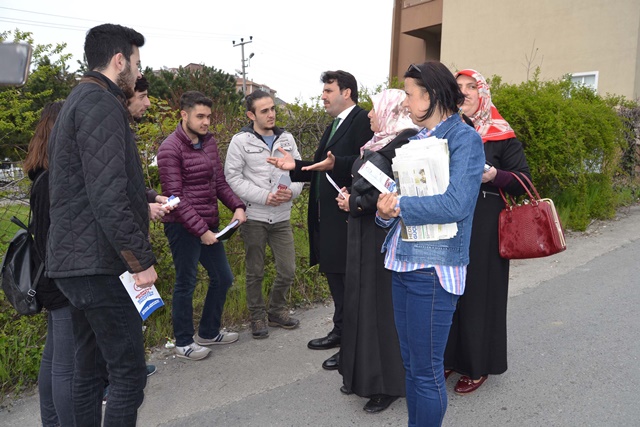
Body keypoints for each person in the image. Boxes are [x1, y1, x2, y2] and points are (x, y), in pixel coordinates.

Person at [47, 24, 157, 426]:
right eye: (137, 63)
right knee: (128, 375)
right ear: (119, 60)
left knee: (90, 371)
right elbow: (107, 196)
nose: (138, 72)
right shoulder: (101, 103)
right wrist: (140, 261)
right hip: (100, 265)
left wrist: (145, 198)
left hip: (77, 263)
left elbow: (90, 182)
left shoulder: (79, 98)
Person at [376, 61, 484, 427]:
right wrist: (386, 211)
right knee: (413, 366)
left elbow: (457, 204)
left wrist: (401, 205)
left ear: (431, 95)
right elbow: (397, 200)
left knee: (426, 371)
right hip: (402, 260)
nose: (405, 102)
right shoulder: (416, 140)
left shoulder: (464, 139)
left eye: (409, 94)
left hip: (434, 270)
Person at [302, 89, 418, 413]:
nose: (369, 114)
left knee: (380, 311)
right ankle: (360, 376)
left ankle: (387, 384)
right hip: (363, 235)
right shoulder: (381, 142)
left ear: (390, 111)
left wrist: (354, 201)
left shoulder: (405, 144)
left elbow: (396, 195)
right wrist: (352, 196)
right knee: (362, 305)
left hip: (382, 239)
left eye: (375, 109)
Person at [267, 70, 373, 370]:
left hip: (347, 216)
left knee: (350, 285)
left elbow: (366, 164)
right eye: (323, 91)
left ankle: (352, 344)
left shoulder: (362, 121)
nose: (323, 96)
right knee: (336, 280)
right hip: (326, 218)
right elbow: (321, 166)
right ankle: (340, 331)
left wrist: (338, 166)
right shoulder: (334, 124)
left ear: (347, 92)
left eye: (328, 91)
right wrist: (295, 166)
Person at [444, 69, 531, 394]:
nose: (464, 92)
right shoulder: (446, 131)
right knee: (450, 292)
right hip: (450, 223)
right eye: (459, 87)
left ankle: (477, 365)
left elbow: (524, 181)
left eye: (471, 87)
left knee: (479, 295)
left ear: (483, 93)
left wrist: (495, 175)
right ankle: (450, 357)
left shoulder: (501, 135)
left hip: (485, 227)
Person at [157, 91, 246, 361]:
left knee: (223, 278)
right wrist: (202, 232)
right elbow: (174, 198)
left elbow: (218, 183)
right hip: (182, 227)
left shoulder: (209, 143)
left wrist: (238, 206)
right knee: (186, 282)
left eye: (208, 116)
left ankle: (208, 332)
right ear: (184, 115)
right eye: (200, 116)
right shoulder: (169, 149)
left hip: (208, 223)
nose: (206, 122)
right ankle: (184, 342)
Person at [224, 90, 304, 339]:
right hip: (255, 216)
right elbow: (232, 177)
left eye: (273, 109)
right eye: (264, 111)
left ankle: (277, 311)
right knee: (255, 271)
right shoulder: (240, 141)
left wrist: (290, 193)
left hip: (282, 217)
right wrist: (263, 196)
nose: (271, 114)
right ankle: (257, 316)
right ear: (251, 115)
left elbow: (299, 172)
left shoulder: (287, 139)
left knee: (288, 269)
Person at [23, 101, 75, 427]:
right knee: (66, 365)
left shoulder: (42, 177)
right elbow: (52, 239)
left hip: (51, 277)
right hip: (61, 280)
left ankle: (52, 422)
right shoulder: (52, 181)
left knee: (54, 357)